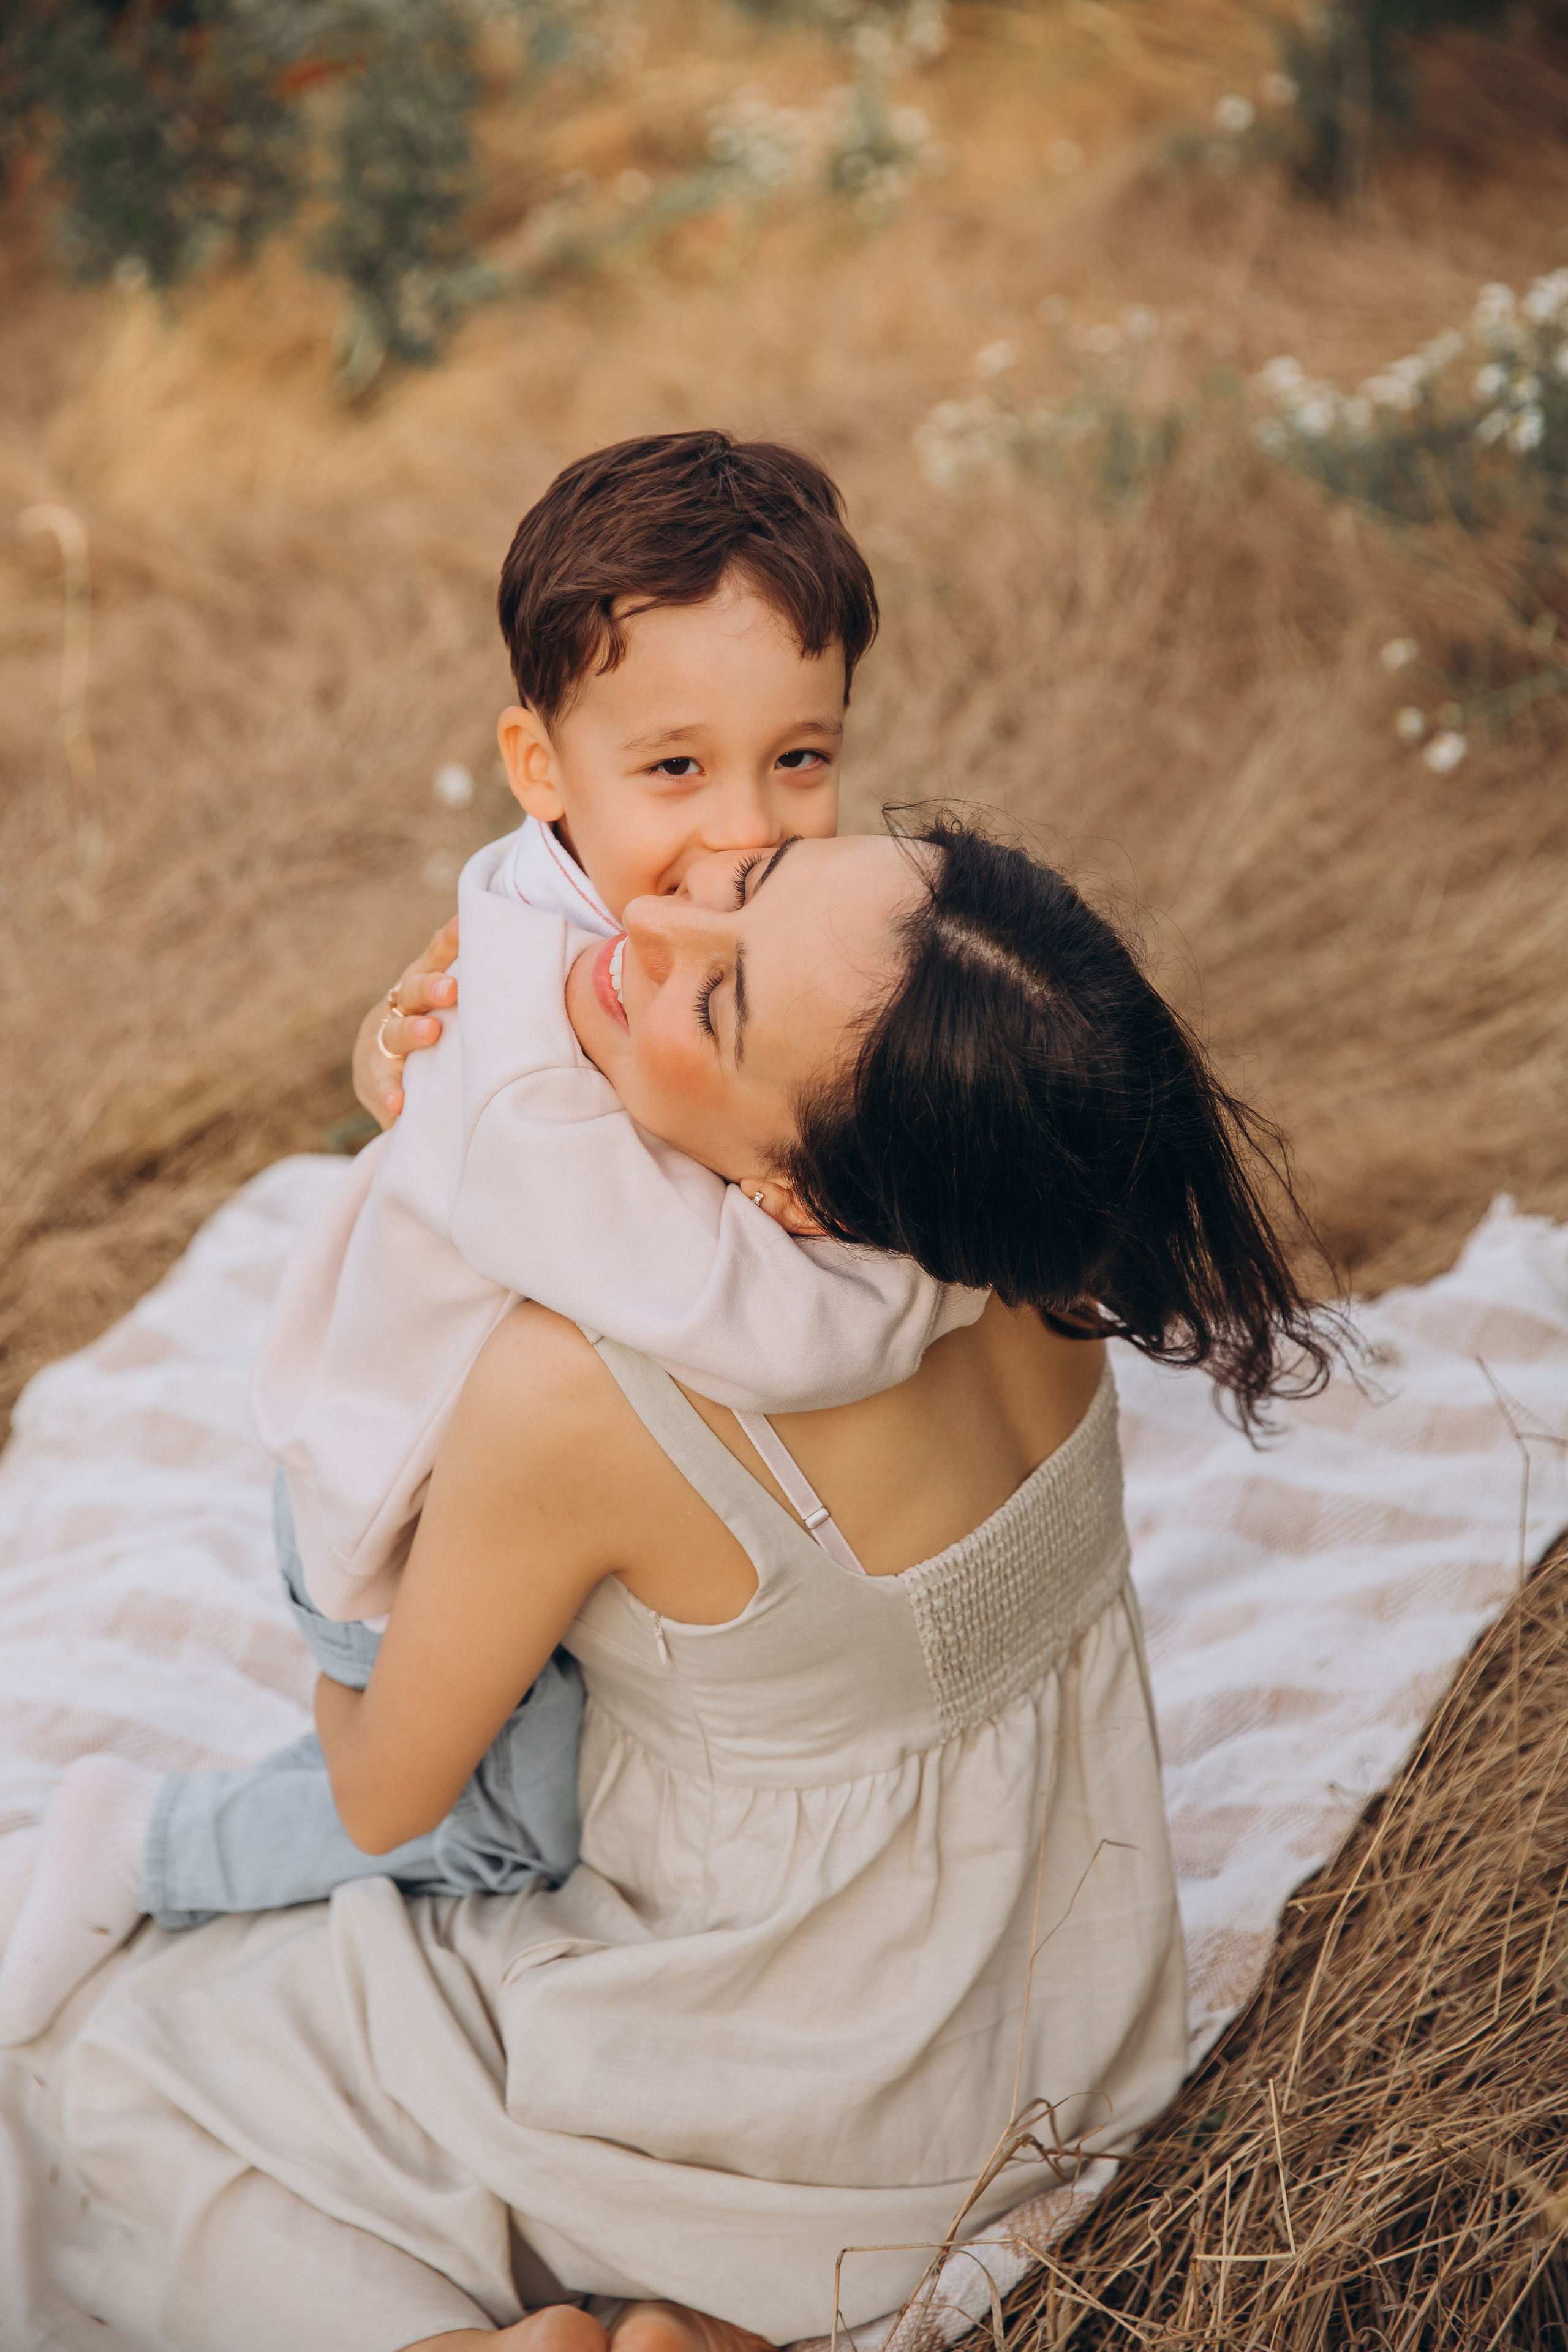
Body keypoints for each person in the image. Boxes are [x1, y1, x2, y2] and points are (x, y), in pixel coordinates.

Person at [55, 813, 1333, 2352]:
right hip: (1051, 2027)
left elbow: (382, 1797)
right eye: (747, 879)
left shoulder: (579, 1387)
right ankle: (697, 2323)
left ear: (797, 1202)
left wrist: (343, 1551)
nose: (647, 930)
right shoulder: (1017, 1224)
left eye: (715, 1004)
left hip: (763, 2079)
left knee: (106, 2077)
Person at [0, 434, 986, 2046]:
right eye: (675, 770)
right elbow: (744, 1312)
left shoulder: (609, 897)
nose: (748, 831)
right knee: (516, 1823)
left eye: (800, 759)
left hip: (535, 1464)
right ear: (543, 770)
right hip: (403, 1497)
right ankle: (137, 1845)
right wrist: (908, 1283)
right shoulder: (534, 1058)